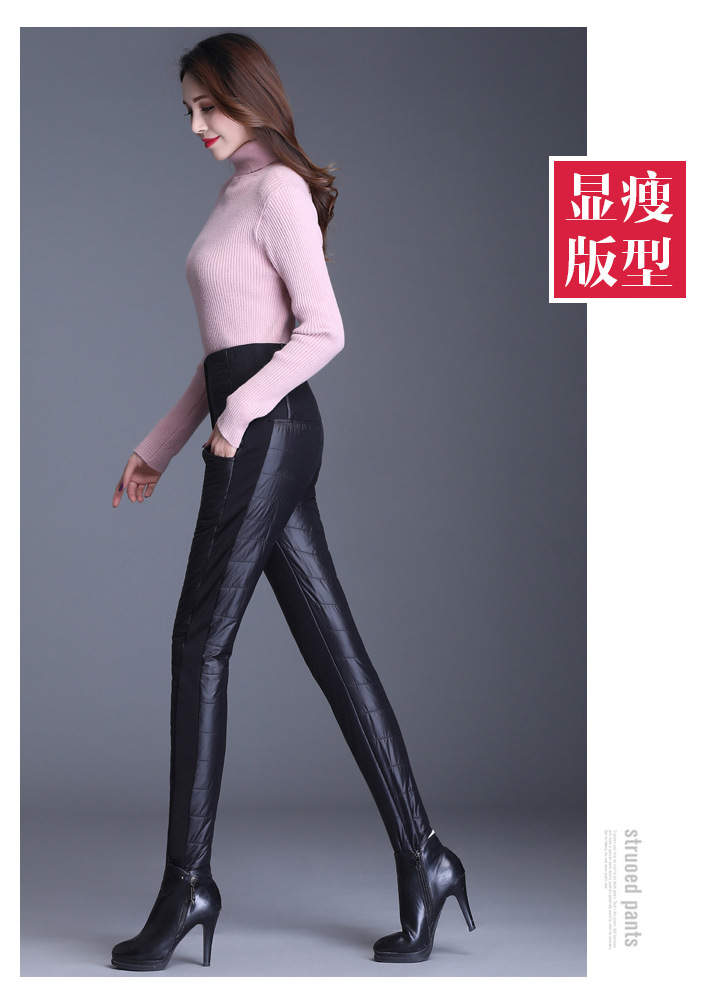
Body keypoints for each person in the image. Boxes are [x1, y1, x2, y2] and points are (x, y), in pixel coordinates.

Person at [110, 32, 474, 972]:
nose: (196, 124)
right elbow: (225, 351)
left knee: (199, 643)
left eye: (209, 106)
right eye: (188, 110)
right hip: (256, 427)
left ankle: (188, 883)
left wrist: (236, 421)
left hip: (267, 432)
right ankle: (426, 856)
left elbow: (323, 332)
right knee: (333, 650)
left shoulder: (277, 194)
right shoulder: (235, 194)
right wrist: (159, 446)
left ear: (252, 98)